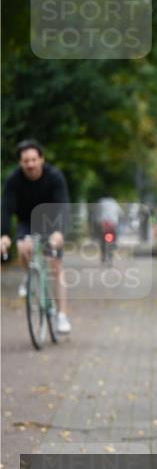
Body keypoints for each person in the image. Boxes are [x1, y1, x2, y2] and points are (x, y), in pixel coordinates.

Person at [0, 140, 72, 334]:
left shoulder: (54, 177)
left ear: (41, 159)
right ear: (20, 163)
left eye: (33, 159)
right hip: (26, 220)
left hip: (51, 221)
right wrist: (4, 234)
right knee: (24, 247)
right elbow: (5, 208)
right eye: (25, 161)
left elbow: (63, 205)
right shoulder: (13, 180)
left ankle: (62, 315)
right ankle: (30, 275)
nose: (30, 164)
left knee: (56, 266)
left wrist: (59, 232)